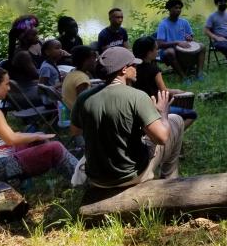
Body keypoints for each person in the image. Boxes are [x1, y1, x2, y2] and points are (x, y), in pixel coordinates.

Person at [71, 47, 183, 188]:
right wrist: (163, 113)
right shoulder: (137, 96)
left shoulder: (83, 98)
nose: (136, 68)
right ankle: (170, 182)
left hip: (97, 178)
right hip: (130, 175)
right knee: (176, 120)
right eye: (134, 65)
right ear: (124, 69)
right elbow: (161, 138)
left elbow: (75, 131)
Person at [0, 65, 77, 183]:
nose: (9, 88)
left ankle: (65, 178)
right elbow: (11, 139)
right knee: (55, 148)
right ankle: (82, 178)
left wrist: (36, 136)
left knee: (38, 139)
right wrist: (37, 136)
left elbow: (1, 139)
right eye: (6, 84)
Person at [132, 36, 197, 129]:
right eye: (155, 49)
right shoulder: (154, 70)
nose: (157, 51)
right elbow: (164, 92)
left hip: (138, 108)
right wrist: (177, 91)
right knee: (192, 114)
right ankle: (173, 135)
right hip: (154, 108)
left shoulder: (132, 69)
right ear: (149, 53)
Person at [156, 0, 206, 80]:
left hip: (183, 49)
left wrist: (189, 38)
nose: (178, 10)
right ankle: (184, 77)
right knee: (170, 51)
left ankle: (199, 73)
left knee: (202, 46)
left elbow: (191, 37)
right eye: (176, 8)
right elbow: (160, 44)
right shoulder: (163, 24)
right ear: (169, 9)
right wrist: (177, 42)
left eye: (179, 8)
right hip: (168, 51)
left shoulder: (184, 22)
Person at [7, 27, 43, 109]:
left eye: (37, 34)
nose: (37, 37)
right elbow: (36, 75)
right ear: (23, 37)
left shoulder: (21, 50)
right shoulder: (23, 55)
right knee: (58, 91)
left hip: (22, 89)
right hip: (21, 94)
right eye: (34, 35)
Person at [61, 45, 97, 111]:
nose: (95, 61)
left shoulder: (71, 73)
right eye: (94, 58)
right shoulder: (81, 79)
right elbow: (84, 103)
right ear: (86, 60)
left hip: (70, 111)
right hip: (79, 116)